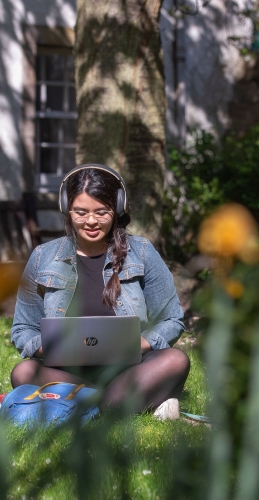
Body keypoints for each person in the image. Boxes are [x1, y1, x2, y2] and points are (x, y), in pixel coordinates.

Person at [10, 164, 190, 414]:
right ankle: (116, 404)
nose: (91, 221)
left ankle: (87, 406)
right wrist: (48, 347)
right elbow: (22, 328)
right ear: (67, 209)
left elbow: (171, 319)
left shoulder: (143, 252)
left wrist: (138, 344)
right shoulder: (42, 257)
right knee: (24, 371)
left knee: (175, 359)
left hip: (130, 369)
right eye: (80, 212)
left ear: (116, 208)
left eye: (102, 212)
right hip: (67, 373)